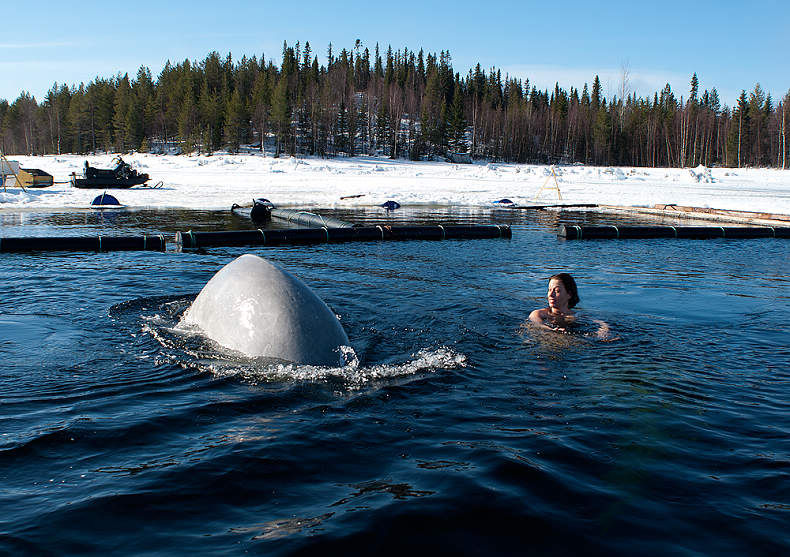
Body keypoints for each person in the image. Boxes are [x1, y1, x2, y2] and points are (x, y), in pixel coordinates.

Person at [528, 273, 612, 339]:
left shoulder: (576, 316)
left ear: (569, 294)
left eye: (557, 291)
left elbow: (601, 323)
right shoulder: (539, 314)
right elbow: (536, 323)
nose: (550, 294)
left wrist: (604, 331)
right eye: (549, 290)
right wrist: (551, 330)